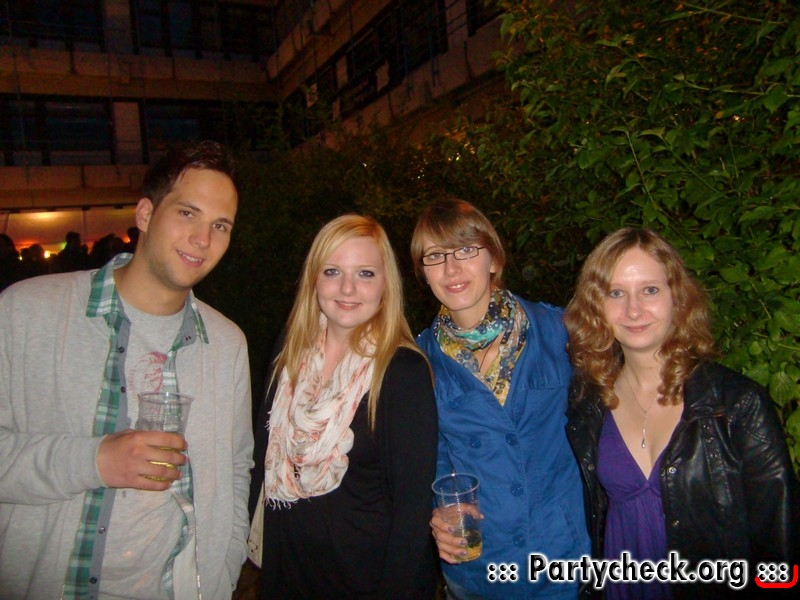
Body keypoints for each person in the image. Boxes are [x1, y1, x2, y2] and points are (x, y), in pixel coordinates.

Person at [0, 140, 254, 599]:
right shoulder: (26, 312)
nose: (203, 239)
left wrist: (221, 578)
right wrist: (94, 461)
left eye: (220, 225)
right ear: (145, 214)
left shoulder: (226, 344)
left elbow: (236, 470)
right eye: (187, 213)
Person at [563, 227, 799, 599]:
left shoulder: (736, 404)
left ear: (678, 296)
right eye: (615, 293)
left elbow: (780, 541)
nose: (633, 310)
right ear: (596, 305)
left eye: (650, 290)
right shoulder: (587, 405)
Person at [248, 214, 439, 599]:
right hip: (287, 572)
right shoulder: (289, 352)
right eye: (332, 271)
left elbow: (412, 510)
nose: (348, 288)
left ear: (385, 284)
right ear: (314, 279)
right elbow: (260, 460)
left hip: (363, 581)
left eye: (365, 273)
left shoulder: (402, 371)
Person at [412, 198, 589, 599]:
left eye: (465, 250)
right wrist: (438, 510)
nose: (451, 269)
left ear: (493, 258)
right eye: (435, 256)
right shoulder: (419, 362)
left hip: (561, 561)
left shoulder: (559, 332)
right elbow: (428, 458)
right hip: (480, 570)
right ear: (424, 273)